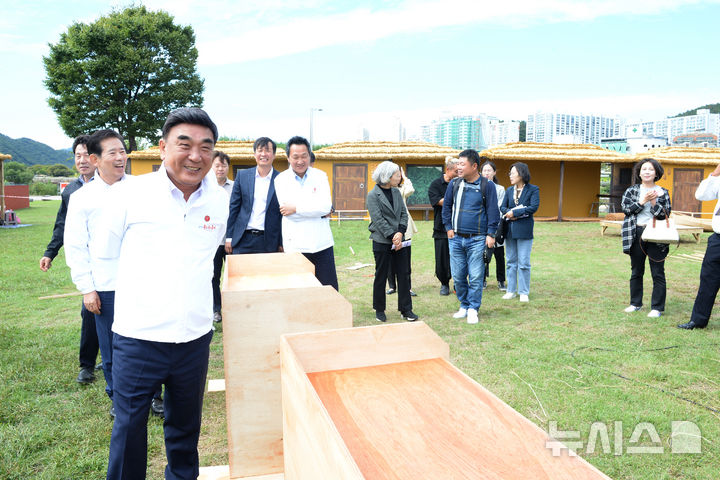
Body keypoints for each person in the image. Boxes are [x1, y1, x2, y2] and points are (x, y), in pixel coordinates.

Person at [100, 108, 228, 479]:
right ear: (162, 147)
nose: (195, 155)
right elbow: (105, 254)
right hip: (139, 337)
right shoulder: (131, 193)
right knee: (129, 429)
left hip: (193, 338)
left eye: (206, 147)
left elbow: (207, 258)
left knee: (186, 431)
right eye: (183, 144)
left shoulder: (218, 199)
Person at [64, 129, 130, 418]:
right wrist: (87, 288)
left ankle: (154, 395)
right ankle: (117, 397)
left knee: (149, 343)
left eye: (122, 151)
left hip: (143, 282)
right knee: (113, 347)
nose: (120, 157)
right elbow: (76, 246)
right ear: (95, 159)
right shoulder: (82, 198)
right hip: (106, 285)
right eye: (112, 152)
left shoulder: (140, 189)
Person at [39, 134, 100, 385]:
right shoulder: (72, 190)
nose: (82, 160)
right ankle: (87, 365)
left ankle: (112, 360)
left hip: (110, 259)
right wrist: (50, 252)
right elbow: (62, 225)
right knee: (90, 312)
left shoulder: (113, 185)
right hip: (86, 260)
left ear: (96, 157)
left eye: (86, 155)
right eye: (78, 156)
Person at [442, 149, 499, 324]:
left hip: (478, 239)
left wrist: (491, 234)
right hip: (456, 238)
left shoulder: (487, 185)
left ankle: (473, 308)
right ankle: (464, 305)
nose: (458, 167)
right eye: (458, 164)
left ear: (474, 166)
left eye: (462, 164)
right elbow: (446, 208)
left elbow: (493, 212)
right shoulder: (454, 184)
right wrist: (449, 228)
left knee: (475, 276)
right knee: (458, 276)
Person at [274, 136, 338, 290]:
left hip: (322, 244)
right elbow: (287, 212)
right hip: (296, 245)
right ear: (288, 158)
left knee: (329, 290)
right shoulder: (281, 180)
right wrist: (314, 209)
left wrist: (296, 207)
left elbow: (325, 207)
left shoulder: (320, 176)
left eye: (304, 156)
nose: (300, 161)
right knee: (299, 292)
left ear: (310, 155)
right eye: (295, 157)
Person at [367, 161, 417, 322]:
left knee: (403, 274)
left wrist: (400, 233)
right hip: (382, 240)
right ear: (387, 176)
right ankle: (379, 309)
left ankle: (406, 309)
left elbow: (404, 213)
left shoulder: (396, 192)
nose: (399, 177)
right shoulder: (373, 195)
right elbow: (378, 220)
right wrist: (392, 236)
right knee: (381, 275)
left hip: (399, 239)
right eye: (397, 174)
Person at [620, 158, 671, 318]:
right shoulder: (631, 191)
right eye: (644, 169)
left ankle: (657, 307)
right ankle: (635, 303)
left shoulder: (663, 192)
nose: (647, 172)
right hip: (636, 233)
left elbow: (665, 215)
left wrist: (655, 201)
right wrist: (642, 201)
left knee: (657, 272)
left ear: (656, 173)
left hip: (657, 234)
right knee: (636, 270)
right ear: (639, 173)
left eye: (650, 169)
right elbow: (627, 210)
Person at [225, 137, 282, 255]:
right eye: (260, 150)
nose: (263, 154)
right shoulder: (242, 176)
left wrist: (281, 242)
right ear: (254, 153)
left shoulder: (282, 179)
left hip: (269, 241)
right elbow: (234, 208)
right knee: (241, 273)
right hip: (243, 239)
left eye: (267, 150)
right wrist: (229, 237)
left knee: (266, 274)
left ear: (274, 155)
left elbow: (283, 215)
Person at [679, 162, 720, 329]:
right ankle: (698, 320)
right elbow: (701, 195)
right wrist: (716, 173)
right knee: (708, 279)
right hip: (718, 239)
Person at [501, 162, 540, 303]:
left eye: (513, 173)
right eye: (510, 173)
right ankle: (511, 290)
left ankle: (524, 291)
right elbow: (502, 207)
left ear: (521, 173)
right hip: (509, 230)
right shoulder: (508, 190)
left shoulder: (533, 189)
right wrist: (509, 213)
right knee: (511, 261)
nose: (510, 176)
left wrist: (516, 212)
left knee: (523, 262)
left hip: (524, 230)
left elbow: (533, 207)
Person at [428, 156, 458, 295]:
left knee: (459, 256)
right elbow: (439, 201)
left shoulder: (461, 183)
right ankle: (444, 283)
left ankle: (459, 283)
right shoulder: (435, 184)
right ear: (448, 170)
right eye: (456, 171)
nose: (458, 174)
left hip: (459, 226)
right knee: (442, 257)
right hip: (441, 227)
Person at [386, 168, 417, 297]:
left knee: (405, 259)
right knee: (390, 260)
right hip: (389, 229)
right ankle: (392, 286)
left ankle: (407, 287)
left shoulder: (402, 189)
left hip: (404, 228)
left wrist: (405, 177)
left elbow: (411, 189)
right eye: (396, 175)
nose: (398, 177)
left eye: (399, 175)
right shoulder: (384, 191)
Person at [210, 151, 233, 323]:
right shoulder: (205, 187)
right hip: (212, 241)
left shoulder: (234, 187)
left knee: (232, 277)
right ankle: (216, 310)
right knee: (214, 276)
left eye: (223, 165)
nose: (220, 169)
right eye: (217, 165)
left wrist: (230, 238)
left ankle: (233, 309)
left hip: (231, 240)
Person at [481, 160, 507, 291]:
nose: (486, 173)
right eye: (484, 170)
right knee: (483, 253)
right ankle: (483, 279)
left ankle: (501, 280)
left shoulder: (500, 189)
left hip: (497, 224)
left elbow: (500, 207)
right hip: (482, 225)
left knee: (499, 253)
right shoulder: (478, 186)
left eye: (489, 170)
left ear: (494, 172)